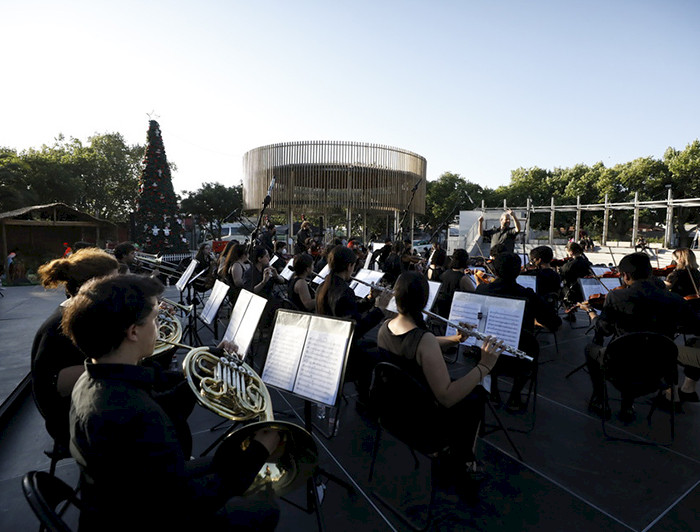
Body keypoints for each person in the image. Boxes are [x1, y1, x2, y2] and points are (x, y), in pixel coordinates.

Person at [62, 274, 280, 531]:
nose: (159, 325)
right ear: (133, 332)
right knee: (266, 506)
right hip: (150, 516)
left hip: (122, 500)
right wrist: (259, 451)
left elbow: (162, 405)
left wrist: (204, 374)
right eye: (154, 319)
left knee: (227, 458)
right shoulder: (136, 414)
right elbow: (186, 503)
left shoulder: (93, 380)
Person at [377, 271, 505, 488]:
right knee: (476, 394)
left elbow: (418, 344)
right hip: (423, 424)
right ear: (424, 300)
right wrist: (485, 365)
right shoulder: (423, 339)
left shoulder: (386, 327)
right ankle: (461, 459)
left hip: (394, 413)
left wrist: (455, 338)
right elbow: (446, 396)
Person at [580, 252, 700, 421]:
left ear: (626, 276)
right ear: (650, 273)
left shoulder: (616, 296)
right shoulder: (676, 300)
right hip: (658, 371)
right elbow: (695, 326)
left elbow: (604, 329)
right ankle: (628, 405)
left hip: (620, 369)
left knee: (591, 349)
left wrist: (592, 313)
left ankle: (601, 400)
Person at [30, 248, 120, 450]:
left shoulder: (79, 311)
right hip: (69, 419)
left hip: (83, 405)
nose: (120, 285)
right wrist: (126, 356)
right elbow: (58, 383)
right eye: (114, 281)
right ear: (93, 285)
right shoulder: (62, 326)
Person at [475, 252, 562, 411]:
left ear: (494, 271)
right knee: (529, 348)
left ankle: (493, 391)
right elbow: (555, 322)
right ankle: (515, 395)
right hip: (518, 359)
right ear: (519, 271)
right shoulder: (527, 294)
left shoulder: (481, 290)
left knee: (490, 339)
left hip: (484, 354)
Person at [435, 249, 476, 318]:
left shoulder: (445, 273)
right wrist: (478, 282)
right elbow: (475, 295)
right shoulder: (463, 278)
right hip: (456, 312)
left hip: (442, 311)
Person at [559, 241, 592, 315]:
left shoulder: (569, 265)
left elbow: (561, 276)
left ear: (571, 252)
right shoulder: (586, 262)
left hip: (572, 293)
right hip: (584, 291)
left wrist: (559, 269)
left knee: (559, 290)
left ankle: (569, 312)